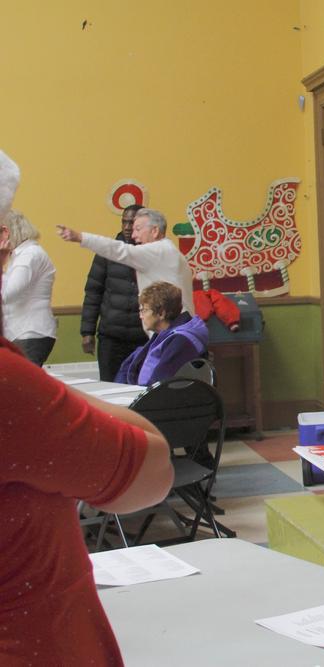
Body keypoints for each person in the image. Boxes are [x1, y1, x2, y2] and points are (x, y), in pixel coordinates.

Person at [0, 150, 174, 666]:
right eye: (132, 225)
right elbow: (148, 470)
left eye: (140, 224)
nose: (134, 231)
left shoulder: (158, 253)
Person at [57, 207, 195, 316]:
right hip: (177, 328)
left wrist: (80, 237)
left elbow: (120, 250)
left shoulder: (157, 251)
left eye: (138, 229)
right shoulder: (169, 250)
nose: (133, 235)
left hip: (172, 331)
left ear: (154, 231)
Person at [80, 204, 149, 381]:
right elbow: (93, 292)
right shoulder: (107, 252)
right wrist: (87, 332)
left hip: (143, 337)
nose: (127, 227)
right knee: (109, 386)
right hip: (111, 337)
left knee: (141, 388)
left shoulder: (152, 253)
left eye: (132, 223)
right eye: (124, 222)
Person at [116, 281, 208, 386]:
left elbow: (161, 385)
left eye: (144, 310)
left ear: (161, 313)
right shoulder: (164, 335)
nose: (141, 316)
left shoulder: (181, 341)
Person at [1, 209, 57, 365]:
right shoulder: (21, 255)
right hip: (24, 332)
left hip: (30, 333)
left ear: (6, 232)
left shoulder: (29, 255)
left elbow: (7, 295)